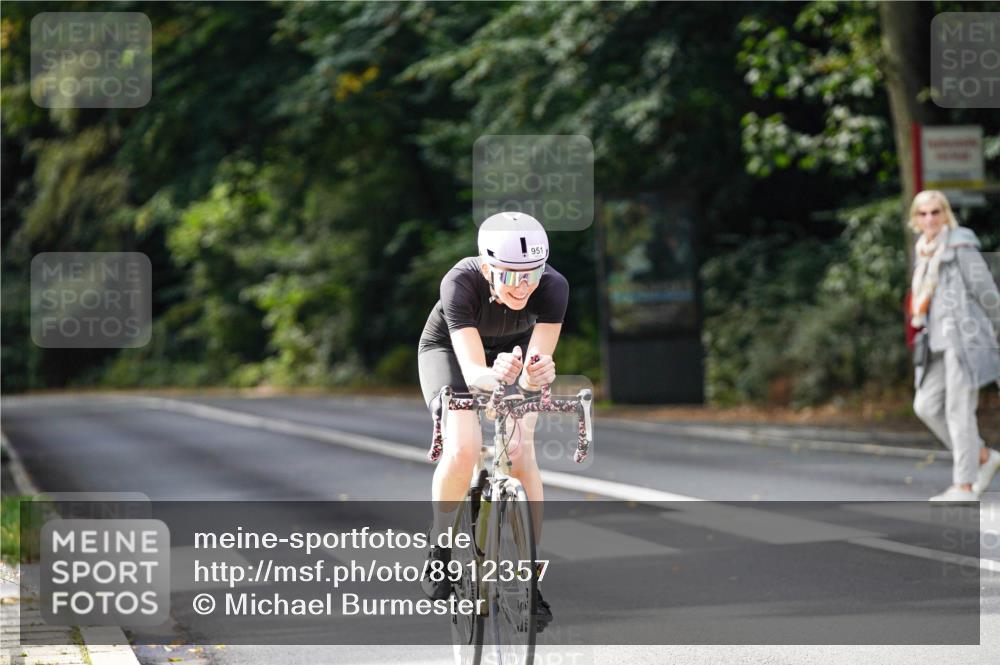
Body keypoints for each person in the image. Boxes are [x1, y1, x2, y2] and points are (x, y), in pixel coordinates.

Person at [416, 211, 567, 623]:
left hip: (513, 350)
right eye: (511, 274)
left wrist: (538, 373)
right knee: (463, 448)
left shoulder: (553, 287)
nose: (524, 286)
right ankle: (440, 544)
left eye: (532, 274)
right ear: (487, 268)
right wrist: (492, 376)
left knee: (519, 451)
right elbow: (472, 371)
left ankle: (530, 580)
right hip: (451, 353)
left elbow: (538, 358)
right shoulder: (460, 283)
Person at [908, 190, 1000, 502]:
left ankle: (964, 485)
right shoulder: (923, 252)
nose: (930, 219)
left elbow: (987, 292)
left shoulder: (960, 247)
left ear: (946, 214)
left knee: (959, 410)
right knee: (925, 406)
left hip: (965, 339)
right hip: (934, 342)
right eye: (923, 214)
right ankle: (983, 457)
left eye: (936, 212)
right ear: (915, 219)